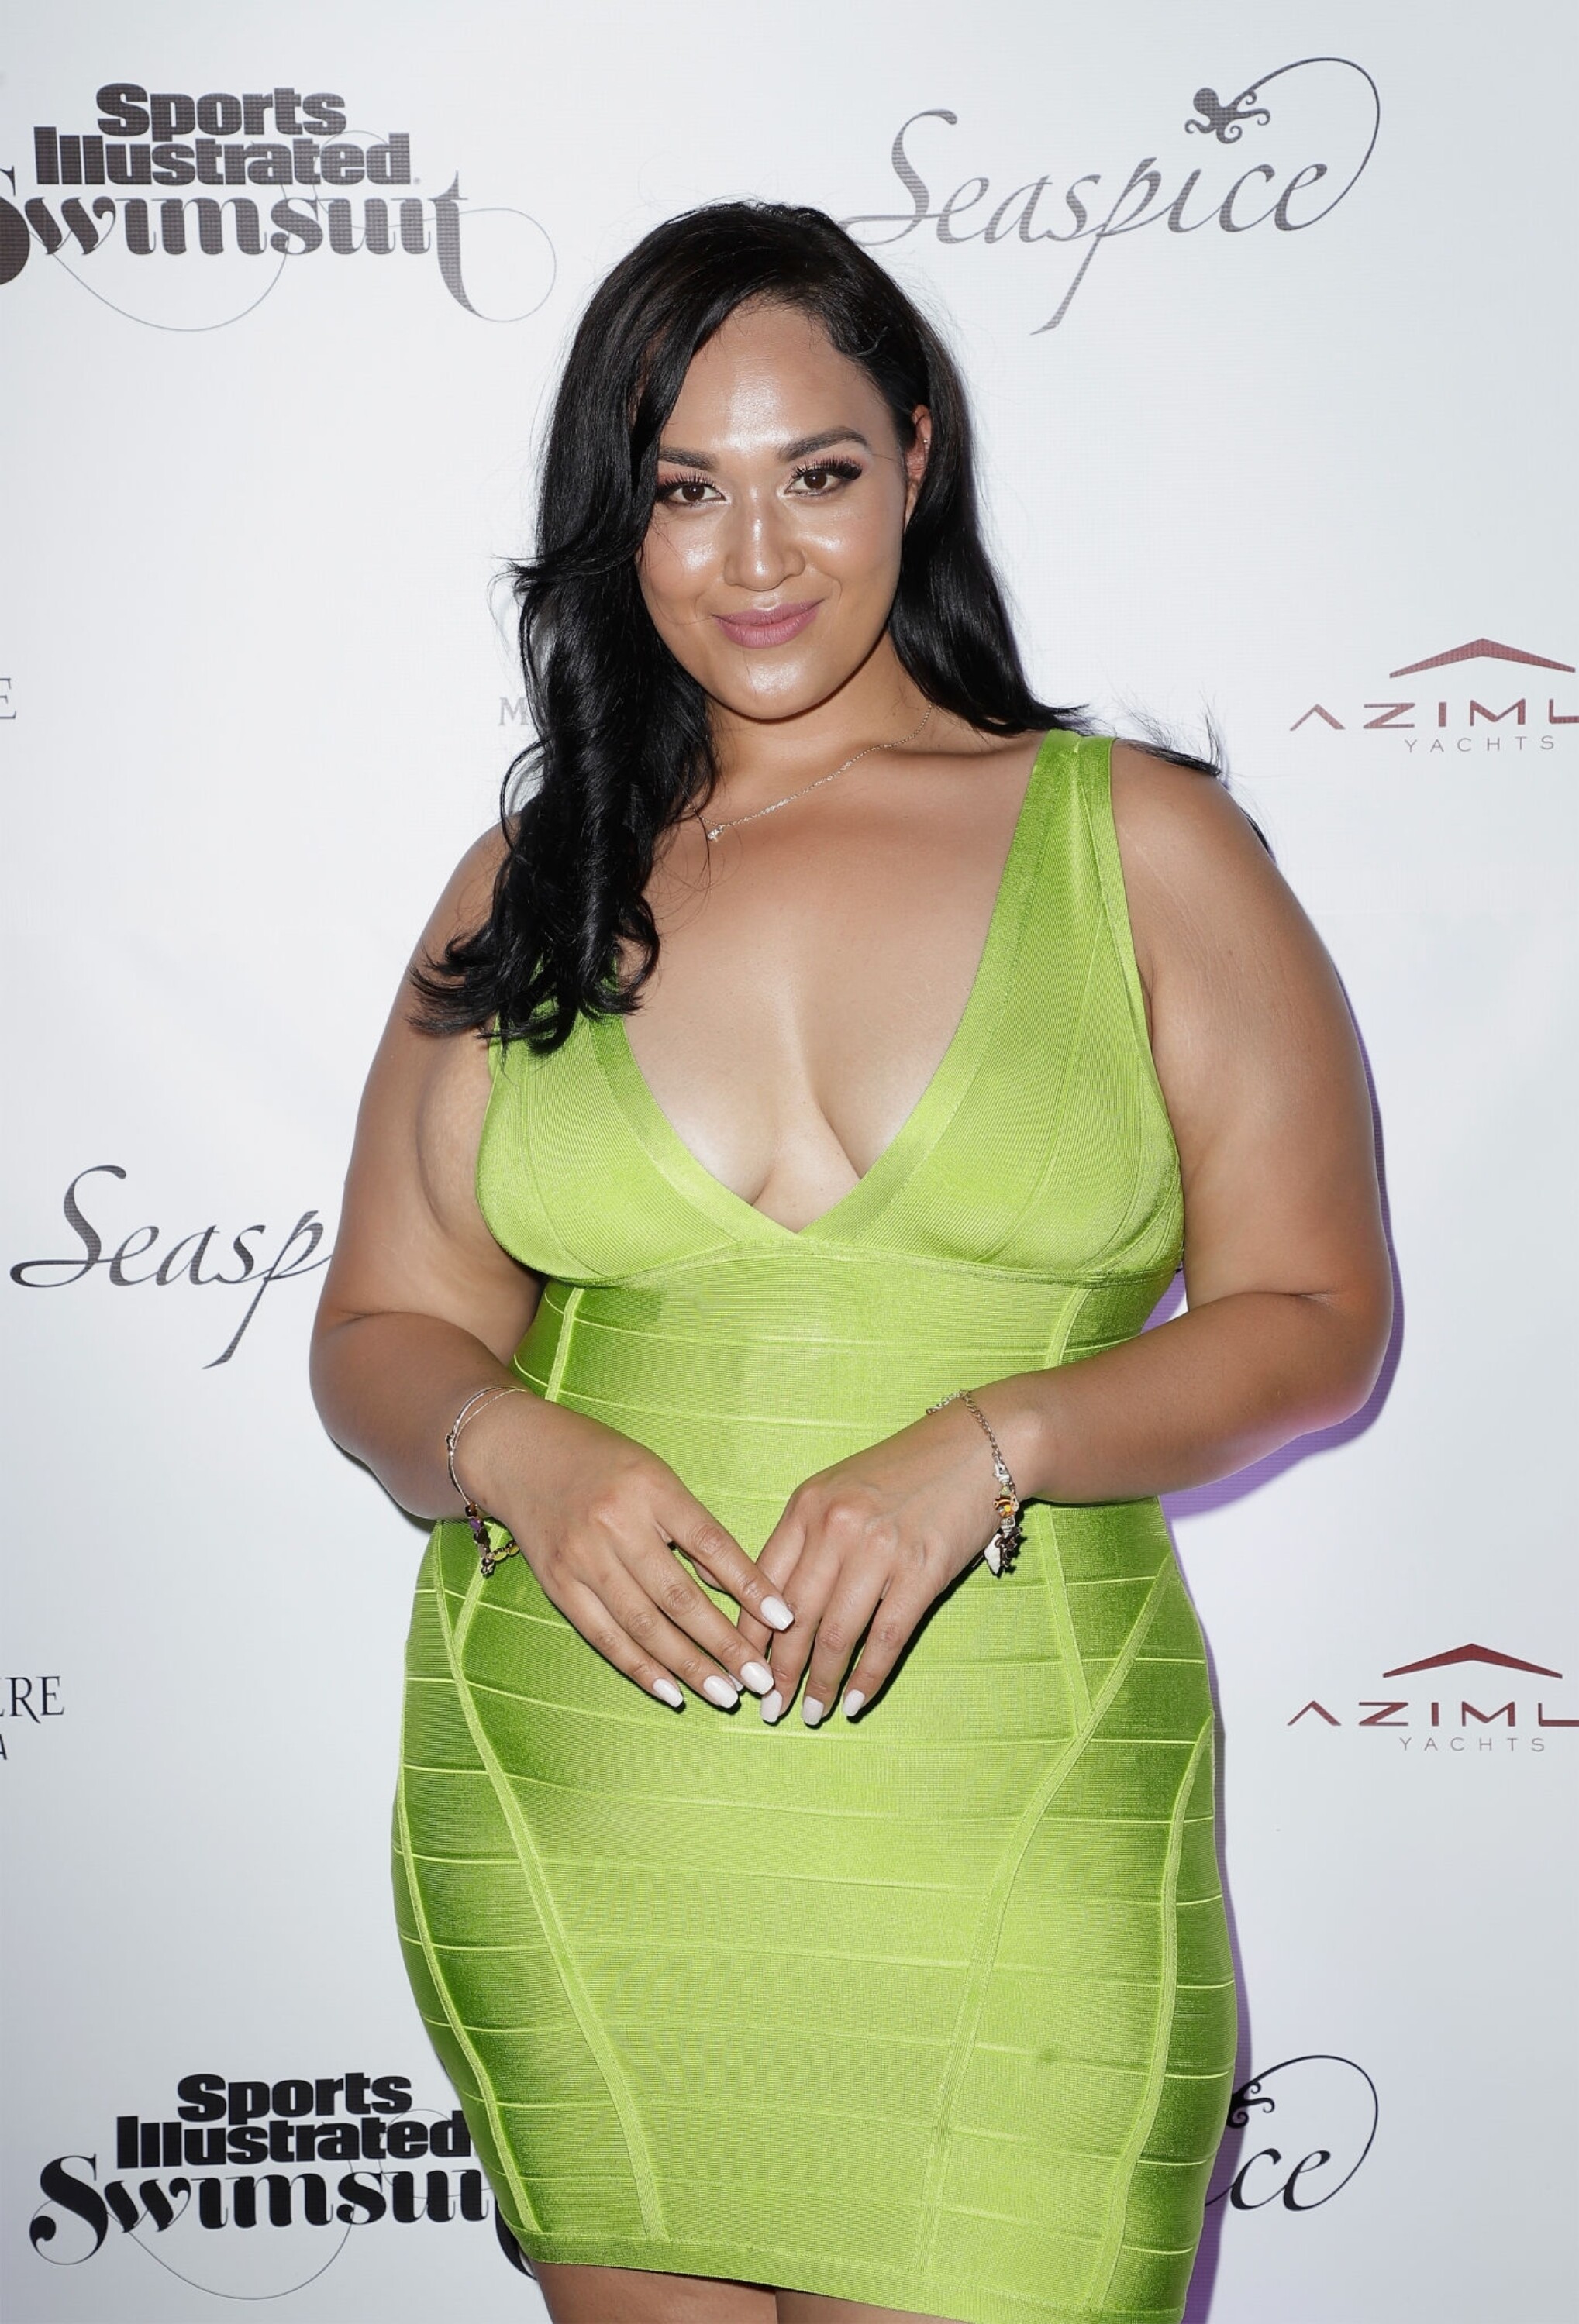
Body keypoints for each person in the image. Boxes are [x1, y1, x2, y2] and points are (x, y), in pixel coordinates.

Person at [310, 202, 1391, 2324]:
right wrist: (509, 1443)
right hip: (595, 1822)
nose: (756, 555)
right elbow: (378, 1330)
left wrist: (995, 1441)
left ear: (916, 457)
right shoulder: (535, 878)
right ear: (619, 525)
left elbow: (1321, 1321)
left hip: (1014, 1813)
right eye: (683, 490)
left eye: (813, 471)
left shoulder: (1138, 840)